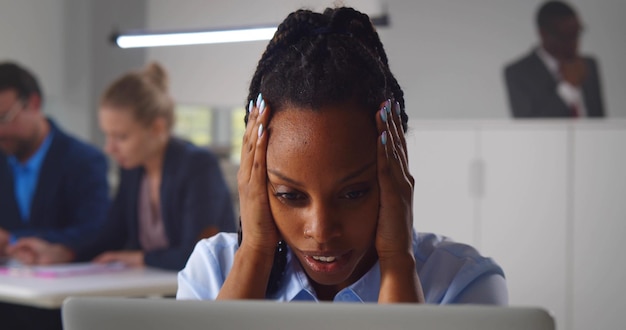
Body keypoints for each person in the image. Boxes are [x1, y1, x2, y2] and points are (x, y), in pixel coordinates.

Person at [177, 7, 507, 304]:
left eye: (353, 193)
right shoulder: (213, 273)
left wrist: (397, 262)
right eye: (290, 195)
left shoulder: (463, 285)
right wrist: (254, 253)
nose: (321, 231)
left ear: (396, 173)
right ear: (256, 180)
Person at [82, 62, 237, 271]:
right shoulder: (133, 168)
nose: (109, 148)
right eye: (107, 135)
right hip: (154, 291)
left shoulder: (198, 166)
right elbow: (111, 237)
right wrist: (63, 252)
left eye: (121, 137)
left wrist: (140, 259)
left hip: (203, 296)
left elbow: (197, 254)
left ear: (157, 128)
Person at [0, 62, 109, 330]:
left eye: (4, 118)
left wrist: (13, 240)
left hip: (60, 311)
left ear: (34, 103)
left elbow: (95, 231)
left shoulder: (84, 160)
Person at [504, 1, 605, 118]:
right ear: (543, 34)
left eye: (577, 33)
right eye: (566, 36)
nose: (574, 43)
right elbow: (530, 127)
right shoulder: (518, 72)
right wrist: (569, 88)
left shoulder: (588, 65)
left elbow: (600, 120)